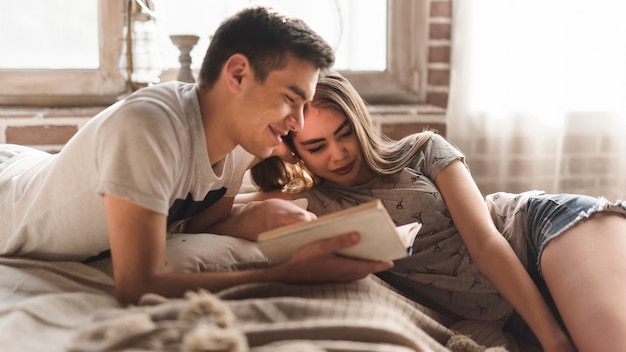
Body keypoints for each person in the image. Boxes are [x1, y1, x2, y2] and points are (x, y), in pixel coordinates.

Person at [0, 6, 392, 305]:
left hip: (31, 165)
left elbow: (195, 225)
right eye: (291, 100)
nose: (297, 122)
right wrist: (291, 275)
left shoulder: (243, 141)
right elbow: (137, 286)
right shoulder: (147, 129)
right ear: (237, 74)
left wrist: (251, 217)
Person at [240, 71, 626, 352]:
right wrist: (264, 147)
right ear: (296, 151)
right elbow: (211, 216)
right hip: (505, 316)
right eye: (316, 146)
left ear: (359, 123)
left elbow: (486, 244)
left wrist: (553, 339)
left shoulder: (423, 149)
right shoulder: (309, 203)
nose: (337, 154)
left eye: (344, 134)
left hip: (538, 235)